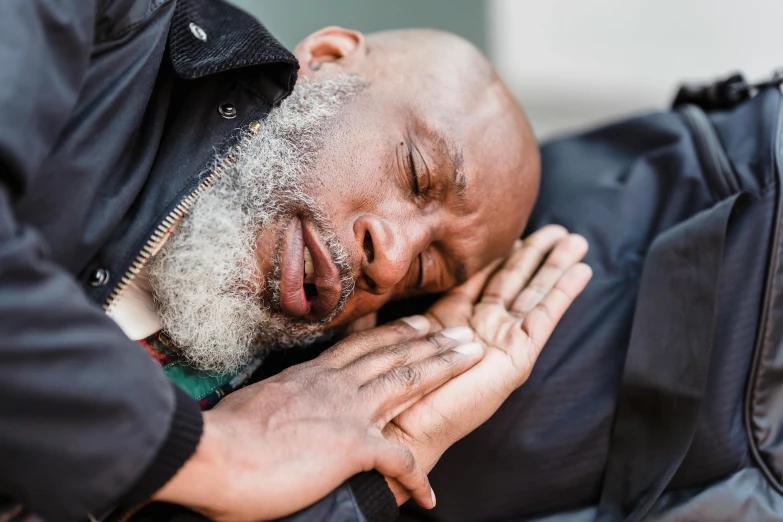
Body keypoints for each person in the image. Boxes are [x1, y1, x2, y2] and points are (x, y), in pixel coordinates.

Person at [0, 1, 592, 521]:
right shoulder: (110, 23)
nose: (389, 262)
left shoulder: (285, 397)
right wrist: (214, 455)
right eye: (416, 172)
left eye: (421, 274)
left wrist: (379, 461)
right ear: (327, 58)